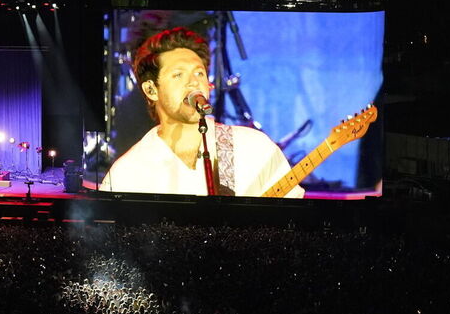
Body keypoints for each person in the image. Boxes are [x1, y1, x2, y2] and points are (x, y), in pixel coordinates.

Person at [100, 27, 303, 198]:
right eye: (178, 75)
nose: (193, 82)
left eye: (199, 73)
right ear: (151, 90)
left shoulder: (255, 148)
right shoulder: (128, 173)